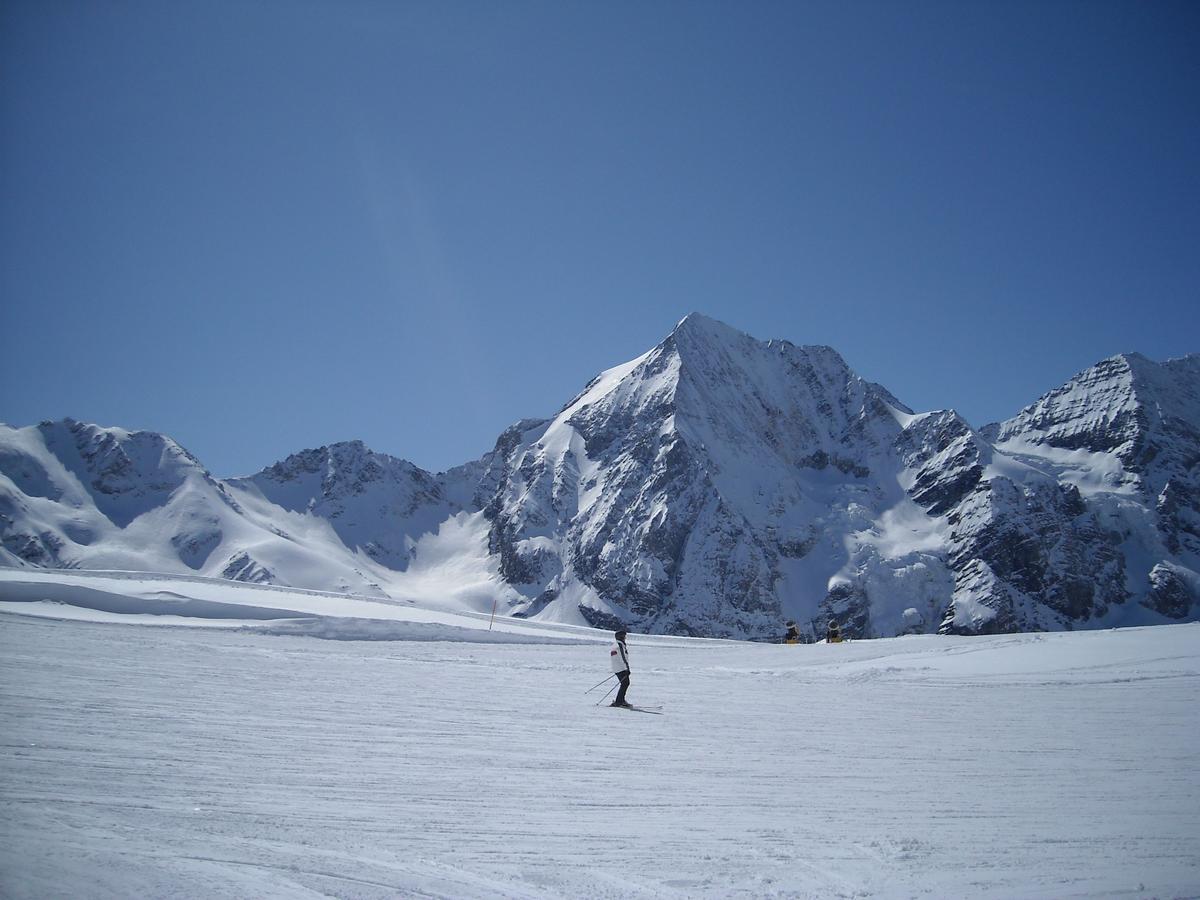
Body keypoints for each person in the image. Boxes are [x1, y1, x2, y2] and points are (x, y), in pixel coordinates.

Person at [609, 629, 632, 707]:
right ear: (621, 637)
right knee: (625, 683)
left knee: (624, 684)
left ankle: (620, 700)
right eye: (624, 636)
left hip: (617, 668)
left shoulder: (615, 645)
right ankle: (619, 701)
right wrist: (626, 668)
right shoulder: (620, 645)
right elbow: (622, 657)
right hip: (621, 668)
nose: (625, 638)